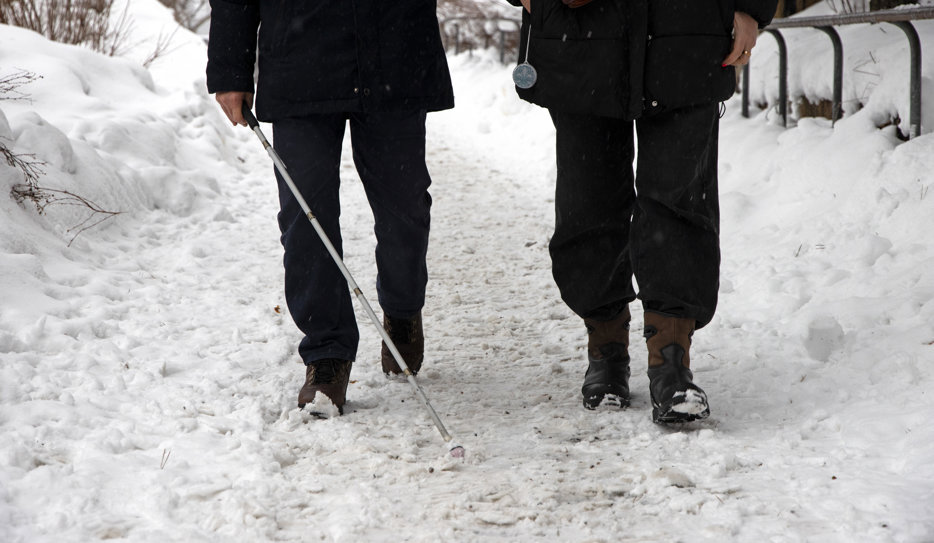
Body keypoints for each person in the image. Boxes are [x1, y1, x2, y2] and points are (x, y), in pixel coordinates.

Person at [506, 0, 777, 422]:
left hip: (690, 31)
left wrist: (750, 7)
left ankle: (671, 360)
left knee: (679, 203)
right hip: (580, 35)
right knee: (588, 203)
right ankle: (606, 349)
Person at [206, 1, 454, 414]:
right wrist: (230, 68)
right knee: (306, 217)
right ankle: (327, 356)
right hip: (298, 57)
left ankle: (403, 308)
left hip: (396, 51)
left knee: (404, 207)